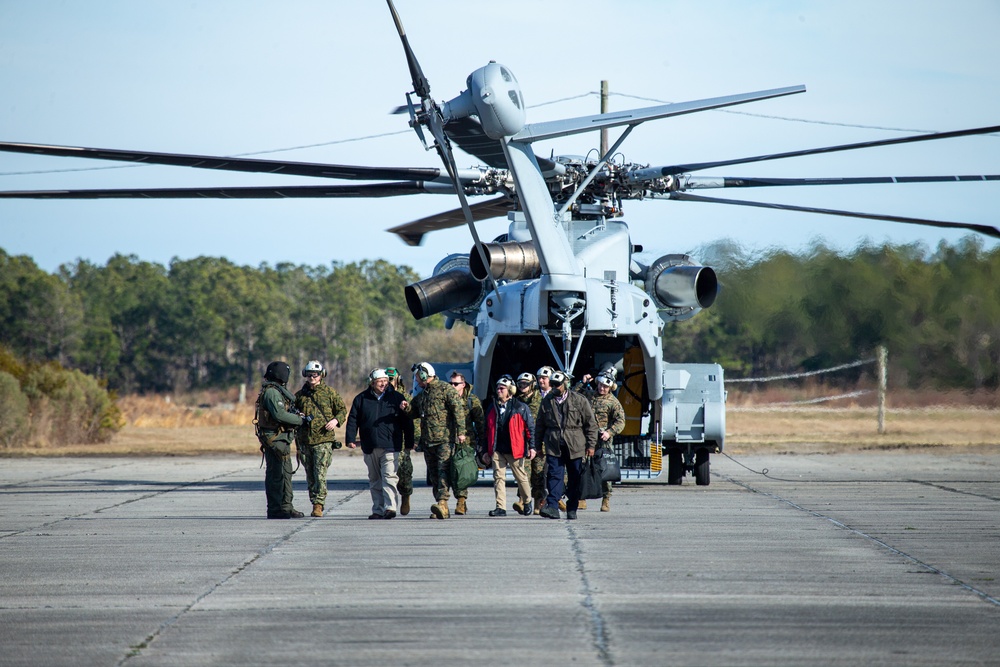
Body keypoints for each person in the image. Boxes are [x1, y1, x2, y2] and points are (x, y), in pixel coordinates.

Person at [345, 368, 413, 520]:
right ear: (372, 383)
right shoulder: (361, 399)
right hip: (369, 445)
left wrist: (409, 442)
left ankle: (390, 508)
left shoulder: (396, 398)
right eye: (379, 382)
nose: (383, 384)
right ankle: (378, 509)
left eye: (385, 381)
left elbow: (407, 421)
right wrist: (350, 439)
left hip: (391, 445)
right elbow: (353, 419)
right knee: (375, 479)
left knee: (389, 477)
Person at [534, 370, 597, 520]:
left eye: (557, 384)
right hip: (554, 445)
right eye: (552, 384)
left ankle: (572, 507)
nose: (554, 387)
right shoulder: (547, 401)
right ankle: (553, 507)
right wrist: (537, 446)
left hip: (575, 445)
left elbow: (591, 424)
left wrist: (591, 445)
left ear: (565, 384)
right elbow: (540, 426)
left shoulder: (579, 400)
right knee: (554, 476)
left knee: (575, 477)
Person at [406, 362, 466, 520]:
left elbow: (458, 410)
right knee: (433, 474)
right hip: (428, 442)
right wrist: (406, 407)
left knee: (442, 472)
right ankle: (441, 507)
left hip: (444, 440)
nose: (417, 380)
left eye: (419, 376)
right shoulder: (423, 394)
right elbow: (414, 412)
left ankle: (442, 502)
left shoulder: (445, 389)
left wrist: (461, 432)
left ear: (426, 375)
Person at [294, 360, 347, 517]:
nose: (312, 377)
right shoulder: (299, 396)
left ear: (321, 375)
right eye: (309, 375)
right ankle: (314, 500)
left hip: (323, 440)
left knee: (320, 473)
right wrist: (298, 416)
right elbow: (291, 413)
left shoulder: (330, 393)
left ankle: (318, 504)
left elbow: (342, 410)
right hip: (304, 441)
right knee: (310, 474)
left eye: (315, 375)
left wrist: (335, 421)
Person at [254, 361, 304, 519]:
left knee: (285, 473)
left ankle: (286, 506)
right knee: (277, 474)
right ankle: (276, 509)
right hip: (275, 438)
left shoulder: (276, 391)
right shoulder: (272, 393)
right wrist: (300, 420)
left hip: (281, 438)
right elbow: (279, 415)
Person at [483, 375, 535, 516]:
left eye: (502, 388)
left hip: (515, 449)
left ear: (510, 390)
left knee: (521, 477)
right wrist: (485, 451)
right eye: (498, 388)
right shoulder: (492, 408)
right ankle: (501, 507)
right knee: (498, 478)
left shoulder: (521, 407)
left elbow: (529, 429)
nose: (499, 391)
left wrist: (532, 447)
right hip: (497, 449)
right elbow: (486, 431)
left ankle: (527, 500)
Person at [576, 371, 626, 512]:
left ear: (610, 387)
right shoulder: (589, 395)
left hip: (602, 439)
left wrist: (609, 432)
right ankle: (582, 498)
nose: (602, 388)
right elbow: (573, 394)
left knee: (605, 469)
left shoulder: (613, 402)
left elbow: (621, 421)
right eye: (600, 385)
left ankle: (606, 498)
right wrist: (583, 381)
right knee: (583, 467)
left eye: (605, 386)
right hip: (586, 437)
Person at [448, 370, 484, 516]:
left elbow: (480, 422)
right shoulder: (446, 398)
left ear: (463, 384)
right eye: (450, 383)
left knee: (461, 472)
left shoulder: (472, 400)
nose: (452, 386)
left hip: (466, 441)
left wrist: (482, 443)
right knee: (448, 471)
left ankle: (461, 501)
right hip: (448, 440)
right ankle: (447, 502)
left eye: (456, 384)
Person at [385, 366, 416, 515]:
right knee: (387, 474)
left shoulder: (405, 397)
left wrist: (415, 439)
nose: (389, 382)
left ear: (397, 379)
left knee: (404, 472)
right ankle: (389, 504)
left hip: (403, 441)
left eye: (391, 379)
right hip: (386, 440)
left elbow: (413, 419)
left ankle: (406, 495)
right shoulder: (381, 397)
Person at [514, 371, 544, 515]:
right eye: (520, 384)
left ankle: (538, 502)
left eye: (526, 384)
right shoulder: (516, 401)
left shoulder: (542, 399)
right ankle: (523, 500)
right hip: (522, 442)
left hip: (539, 441)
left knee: (538, 473)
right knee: (523, 472)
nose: (523, 386)